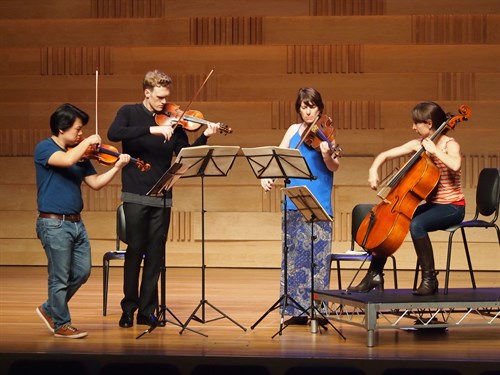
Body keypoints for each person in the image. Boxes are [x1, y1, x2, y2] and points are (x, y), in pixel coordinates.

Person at [107, 69, 219, 328]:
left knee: (155, 256)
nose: (164, 103)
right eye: (159, 98)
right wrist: (153, 130)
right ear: (147, 93)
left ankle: (147, 311)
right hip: (135, 194)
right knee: (135, 252)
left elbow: (185, 154)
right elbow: (115, 133)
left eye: (166, 97)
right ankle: (128, 309)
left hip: (163, 196)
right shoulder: (129, 112)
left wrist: (204, 135)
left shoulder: (174, 122)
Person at [349, 101, 466, 296]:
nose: (413, 127)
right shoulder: (417, 145)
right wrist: (373, 169)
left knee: (417, 225)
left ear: (429, 124)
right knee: (392, 222)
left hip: (453, 207)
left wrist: (435, 152)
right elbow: (385, 155)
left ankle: (430, 278)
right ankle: (374, 275)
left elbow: (455, 165)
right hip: (434, 206)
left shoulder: (450, 144)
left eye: (416, 123)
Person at [35, 103, 130, 339]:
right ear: (60, 129)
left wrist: (117, 166)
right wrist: (87, 143)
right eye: (78, 130)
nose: (81, 134)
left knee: (82, 271)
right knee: (59, 275)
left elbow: (96, 183)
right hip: (53, 223)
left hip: (77, 223)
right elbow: (66, 161)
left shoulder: (80, 153)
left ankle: (49, 308)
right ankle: (61, 324)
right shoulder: (45, 149)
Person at [260, 87, 340, 325]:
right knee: (293, 259)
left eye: (312, 106)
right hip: (293, 201)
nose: (308, 111)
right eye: (304, 107)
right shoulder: (293, 131)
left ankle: (317, 310)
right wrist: (268, 175)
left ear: (320, 108)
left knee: (317, 259)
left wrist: (327, 156)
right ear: (299, 109)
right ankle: (295, 310)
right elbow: (280, 157)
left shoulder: (327, 133)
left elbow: (335, 166)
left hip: (318, 202)